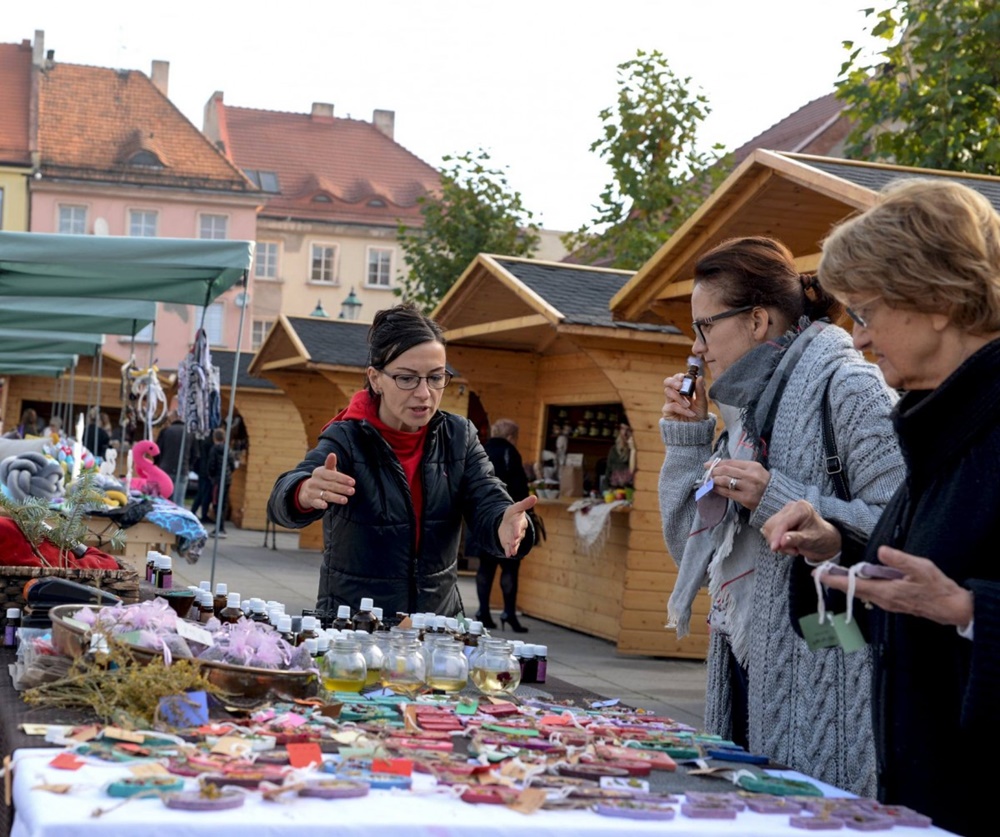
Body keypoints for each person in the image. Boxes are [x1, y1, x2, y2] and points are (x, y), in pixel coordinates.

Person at [761, 179, 1000, 836]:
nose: (859, 340)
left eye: (865, 313)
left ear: (941, 301)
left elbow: (951, 598)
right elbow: (900, 610)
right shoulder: (936, 429)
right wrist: (834, 548)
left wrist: (969, 611)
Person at [659, 235, 905, 797]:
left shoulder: (852, 388)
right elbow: (687, 551)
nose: (696, 350)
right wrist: (687, 438)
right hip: (747, 661)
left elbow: (903, 529)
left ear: (758, 320)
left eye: (703, 327)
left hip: (826, 664)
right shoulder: (743, 411)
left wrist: (779, 496)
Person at [268, 302, 536, 619]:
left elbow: (487, 496)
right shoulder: (348, 438)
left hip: (435, 629)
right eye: (407, 379)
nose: (424, 393)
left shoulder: (459, 436)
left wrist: (504, 522)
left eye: (435, 378)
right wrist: (301, 492)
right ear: (376, 378)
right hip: (357, 629)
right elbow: (281, 500)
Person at [470, 419, 531, 632]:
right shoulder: (510, 454)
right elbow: (519, 488)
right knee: (510, 568)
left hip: (482, 521)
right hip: (507, 519)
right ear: (512, 436)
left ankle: (483, 612)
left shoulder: (481, 450)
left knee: (485, 568)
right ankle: (509, 613)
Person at [154, 410, 192, 505]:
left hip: (165, 468)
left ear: (172, 418)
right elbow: (195, 453)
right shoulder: (189, 433)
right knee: (179, 501)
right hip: (183, 469)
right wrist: (189, 465)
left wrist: (158, 463)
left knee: (164, 500)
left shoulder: (166, 431)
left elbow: (157, 450)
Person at [207, 427, 233, 537]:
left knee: (216, 503)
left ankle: (218, 527)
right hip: (227, 479)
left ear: (214, 438)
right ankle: (222, 527)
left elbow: (211, 465)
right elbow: (232, 464)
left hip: (218, 480)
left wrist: (211, 476)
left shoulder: (214, 449)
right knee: (224, 503)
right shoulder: (228, 449)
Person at [189, 432, 216, 522]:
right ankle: (201, 514)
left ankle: (194, 512)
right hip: (205, 471)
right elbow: (209, 458)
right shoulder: (209, 442)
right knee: (204, 494)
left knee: (201, 493)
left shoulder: (203, 439)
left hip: (202, 470)